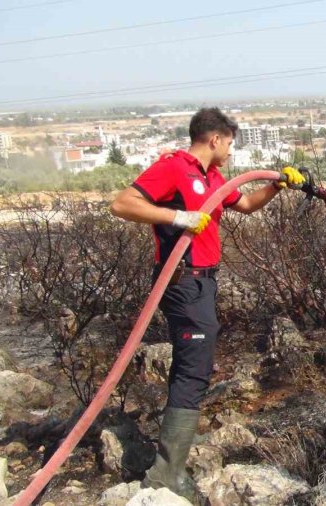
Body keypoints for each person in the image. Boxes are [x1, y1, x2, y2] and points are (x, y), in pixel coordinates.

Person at [109, 107, 304, 497]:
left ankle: (172, 464)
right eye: (229, 143)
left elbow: (245, 205)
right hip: (182, 282)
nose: (231, 152)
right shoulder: (174, 168)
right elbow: (122, 204)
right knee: (192, 370)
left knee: (195, 368)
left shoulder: (211, 177)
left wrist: (277, 185)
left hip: (203, 284)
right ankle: (166, 474)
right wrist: (177, 217)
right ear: (214, 139)